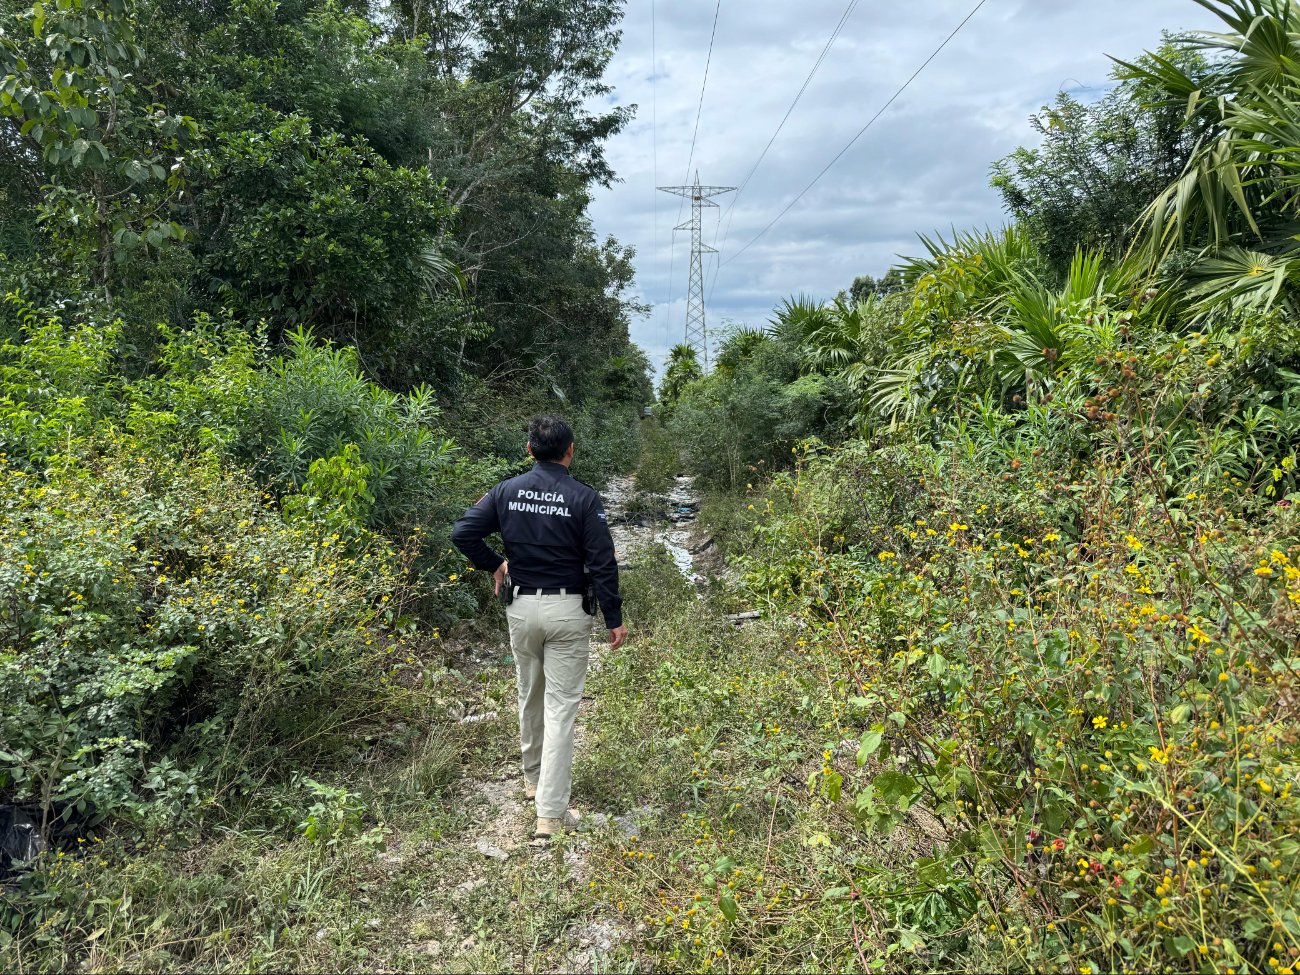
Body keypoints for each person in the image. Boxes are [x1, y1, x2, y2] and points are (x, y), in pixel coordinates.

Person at [451, 414, 627, 846]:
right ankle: (549, 813)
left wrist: (496, 564)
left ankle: (532, 780)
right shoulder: (584, 498)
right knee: (562, 707)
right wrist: (614, 616)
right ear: (570, 451)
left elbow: (463, 533)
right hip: (569, 611)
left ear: (529, 450)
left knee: (529, 692)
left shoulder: (506, 491)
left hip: (523, 607)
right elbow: (602, 560)